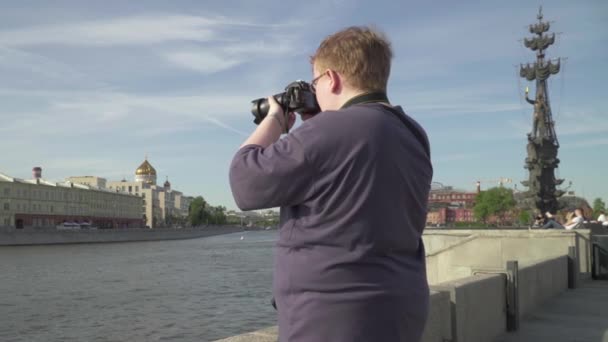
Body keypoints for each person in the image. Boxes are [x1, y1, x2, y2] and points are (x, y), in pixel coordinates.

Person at [229, 26, 432, 342]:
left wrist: (275, 119)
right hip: (401, 311)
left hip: (332, 321)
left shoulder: (328, 131)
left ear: (332, 79)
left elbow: (244, 182)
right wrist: (317, 124)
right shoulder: (413, 133)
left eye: (315, 82)